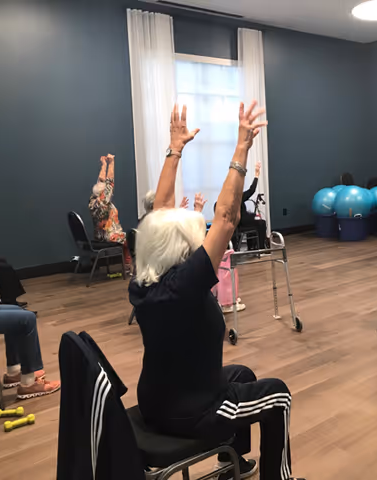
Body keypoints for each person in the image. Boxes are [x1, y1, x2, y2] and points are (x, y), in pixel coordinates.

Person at [129, 102, 304, 480]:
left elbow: (159, 214)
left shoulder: (145, 280)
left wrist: (175, 151)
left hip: (157, 400)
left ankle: (233, 461)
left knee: (241, 372)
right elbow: (226, 218)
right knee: (278, 393)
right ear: (182, 248)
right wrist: (242, 146)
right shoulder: (184, 287)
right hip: (193, 412)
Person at [88, 154, 132, 268]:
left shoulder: (93, 200)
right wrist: (111, 162)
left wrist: (104, 165)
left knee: (126, 237)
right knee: (132, 237)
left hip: (99, 236)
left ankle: (126, 264)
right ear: (104, 194)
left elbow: (101, 181)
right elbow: (109, 183)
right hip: (109, 236)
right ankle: (128, 265)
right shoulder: (103, 203)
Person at [238, 161, 268, 250]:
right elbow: (252, 190)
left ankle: (251, 247)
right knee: (261, 223)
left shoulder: (227, 197)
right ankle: (261, 249)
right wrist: (256, 175)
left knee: (253, 219)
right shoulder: (238, 197)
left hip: (237, 224)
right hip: (242, 223)